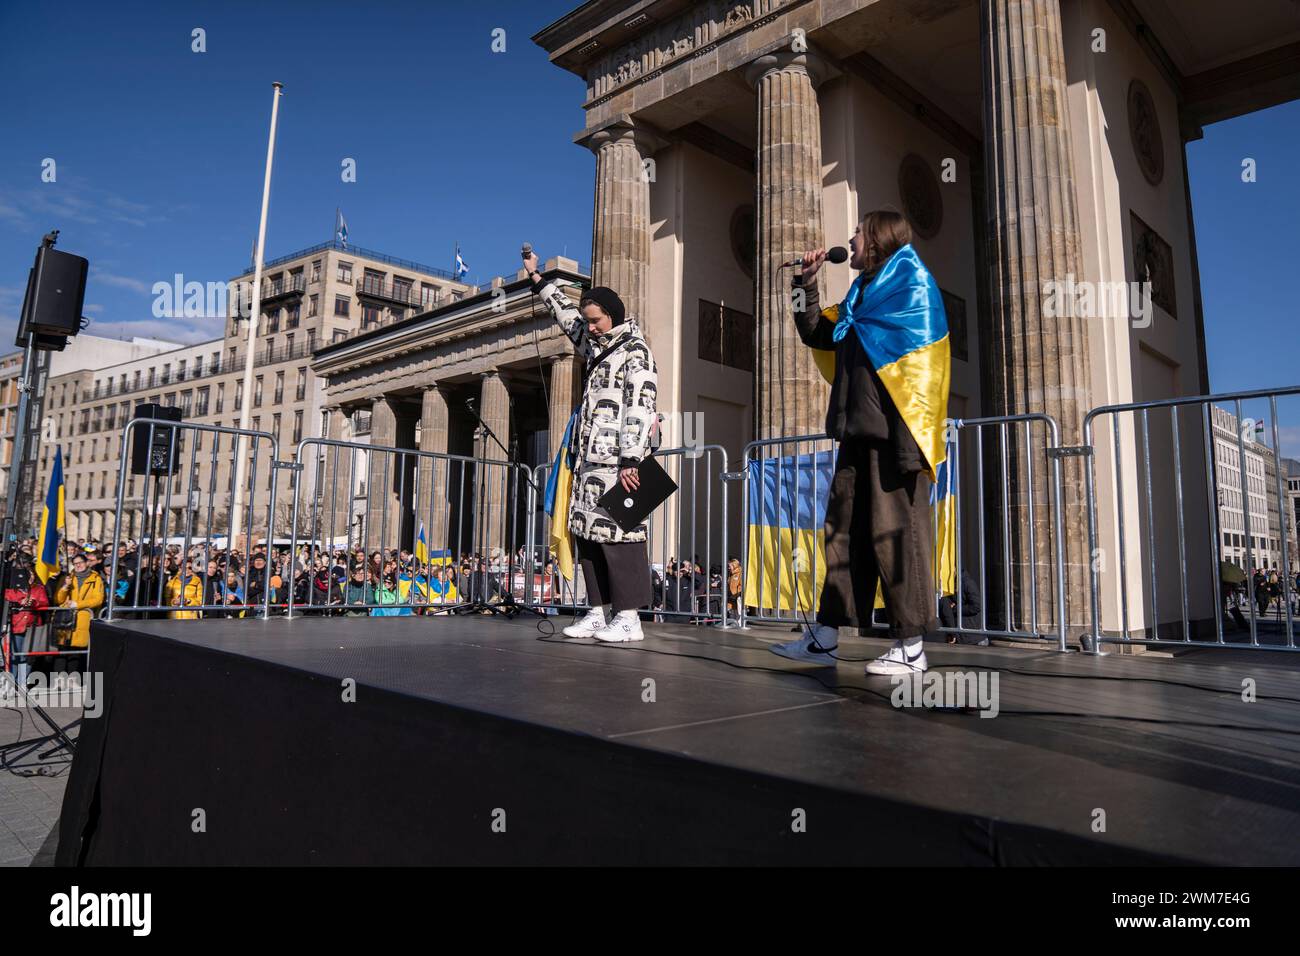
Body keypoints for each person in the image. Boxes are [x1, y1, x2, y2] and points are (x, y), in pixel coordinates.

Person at [770, 210, 949, 675]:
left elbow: (924, 378)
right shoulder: (860, 297)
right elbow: (816, 332)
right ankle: (825, 638)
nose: (848, 240)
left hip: (895, 440)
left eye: (857, 233)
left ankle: (911, 646)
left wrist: (912, 446)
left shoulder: (912, 289)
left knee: (897, 539)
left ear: (877, 239)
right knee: (843, 537)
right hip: (854, 435)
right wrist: (805, 286)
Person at [523, 247, 659, 642]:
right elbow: (564, 315)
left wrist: (632, 459)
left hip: (621, 462)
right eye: (589, 322)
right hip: (588, 459)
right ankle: (597, 612)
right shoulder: (596, 346)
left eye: (596, 321)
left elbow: (641, 406)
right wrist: (537, 279)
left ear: (612, 316)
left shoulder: (637, 352)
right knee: (588, 537)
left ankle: (630, 618)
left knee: (621, 538)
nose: (590, 327)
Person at [53, 551, 105, 650]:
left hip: (83, 620)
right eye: (75, 563)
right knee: (61, 656)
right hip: (65, 620)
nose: (78, 565)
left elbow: (98, 600)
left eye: (80, 562)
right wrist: (65, 586)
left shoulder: (96, 579)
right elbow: (59, 600)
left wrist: (77, 604)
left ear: (87, 563)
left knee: (76, 655)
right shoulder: (66, 578)